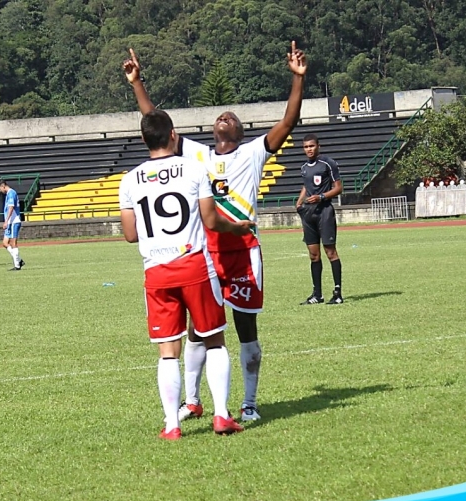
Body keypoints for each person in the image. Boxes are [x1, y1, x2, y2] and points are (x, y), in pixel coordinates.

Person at [124, 41, 306, 423]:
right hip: (205, 254)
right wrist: (137, 83)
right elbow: (156, 125)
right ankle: (192, 401)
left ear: (239, 131)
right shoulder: (198, 155)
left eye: (232, 116)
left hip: (242, 252)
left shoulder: (253, 152)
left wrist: (297, 79)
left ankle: (249, 403)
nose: (225, 116)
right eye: (221, 115)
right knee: (198, 331)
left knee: (245, 327)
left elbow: (288, 122)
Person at [119, 110, 253, 439]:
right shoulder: (193, 168)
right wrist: (236, 228)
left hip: (157, 272)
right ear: (173, 135)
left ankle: (172, 425)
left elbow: (130, 234)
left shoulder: (130, 180)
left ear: (143, 139)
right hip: (194, 266)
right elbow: (211, 220)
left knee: (168, 351)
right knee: (215, 341)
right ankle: (221, 415)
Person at [295, 134, 344, 305]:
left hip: (324, 212)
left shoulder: (328, 163)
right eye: (306, 147)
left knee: (330, 252)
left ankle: (337, 293)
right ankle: (317, 294)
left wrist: (321, 196)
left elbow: (338, 188)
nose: (309, 149)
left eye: (312, 146)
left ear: (318, 146)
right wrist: (299, 202)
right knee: (313, 255)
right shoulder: (303, 167)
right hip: (309, 214)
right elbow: (306, 185)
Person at [0, 180, 25, 270]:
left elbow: (11, 207)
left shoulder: (11, 193)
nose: (0, 191)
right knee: (5, 243)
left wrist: (6, 221)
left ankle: (17, 265)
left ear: (3, 186)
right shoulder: (8, 194)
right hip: (10, 222)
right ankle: (19, 260)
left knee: (13, 243)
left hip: (13, 221)